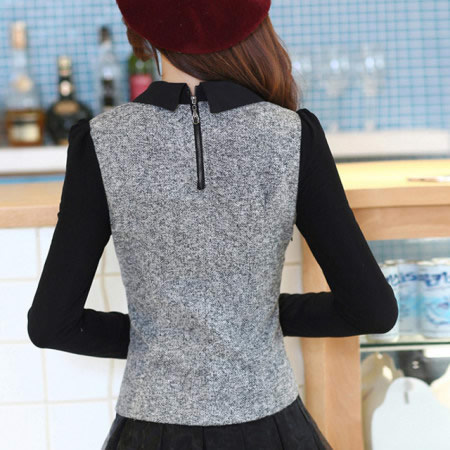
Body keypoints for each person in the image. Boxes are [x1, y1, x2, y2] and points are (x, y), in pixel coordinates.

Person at [27, 1, 399, 449]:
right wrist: (249, 319)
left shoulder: (101, 141)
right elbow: (372, 310)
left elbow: (51, 324)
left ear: (141, 34)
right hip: (272, 428)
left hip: (150, 430)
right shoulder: (293, 135)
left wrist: (163, 334)